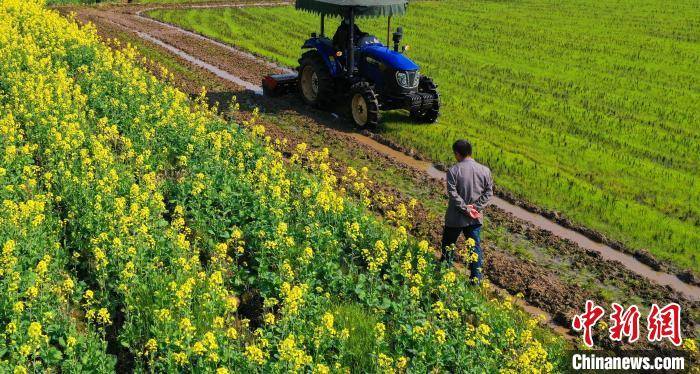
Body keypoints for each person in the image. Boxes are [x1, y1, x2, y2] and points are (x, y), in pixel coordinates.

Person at [441, 139, 493, 283]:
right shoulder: (485, 170)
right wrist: (475, 208)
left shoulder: (453, 171)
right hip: (474, 218)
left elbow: (453, 193)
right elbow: (489, 193)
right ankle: (476, 278)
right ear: (470, 152)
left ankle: (444, 272)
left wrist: (465, 208)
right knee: (474, 248)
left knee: (448, 245)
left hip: (455, 218)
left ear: (457, 154)